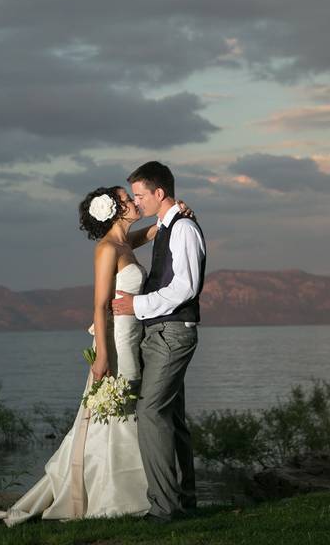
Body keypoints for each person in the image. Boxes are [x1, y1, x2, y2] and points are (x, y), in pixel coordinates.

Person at [0, 185, 182, 526]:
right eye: (126, 200)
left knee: (128, 411)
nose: (133, 202)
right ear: (114, 210)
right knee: (118, 411)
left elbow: (145, 234)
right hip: (117, 338)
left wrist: (174, 213)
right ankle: (120, 494)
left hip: (132, 335)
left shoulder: (124, 242)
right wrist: (102, 356)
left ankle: (136, 491)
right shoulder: (107, 248)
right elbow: (98, 306)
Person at [111, 161, 207, 523]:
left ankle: (165, 508)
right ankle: (183, 502)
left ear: (159, 193)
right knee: (172, 418)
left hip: (173, 332)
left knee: (150, 413)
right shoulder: (167, 227)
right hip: (162, 331)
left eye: (140, 195)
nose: (137, 201)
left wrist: (136, 305)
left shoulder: (183, 230)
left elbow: (185, 287)